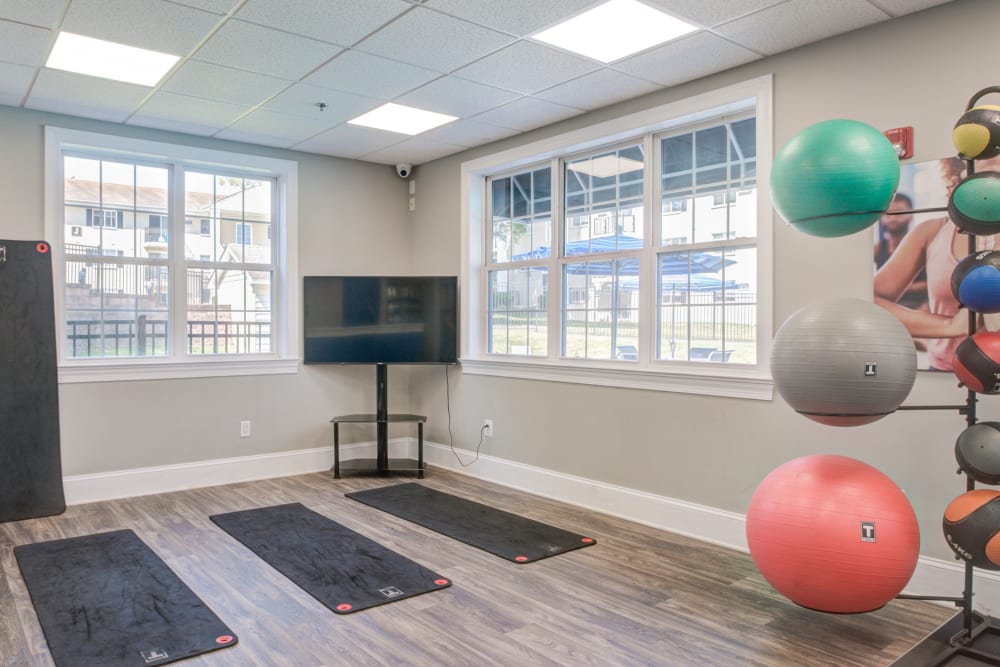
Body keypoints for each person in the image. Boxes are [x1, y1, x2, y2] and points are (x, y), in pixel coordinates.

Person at [874, 157, 999, 371]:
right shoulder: (931, 232)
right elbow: (872, 300)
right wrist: (949, 325)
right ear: (960, 172)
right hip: (946, 372)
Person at [874, 192, 927, 310]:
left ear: (911, 215)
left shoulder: (925, 245)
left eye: (899, 213)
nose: (893, 218)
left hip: (921, 307)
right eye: (888, 214)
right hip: (888, 308)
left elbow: (935, 284)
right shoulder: (877, 248)